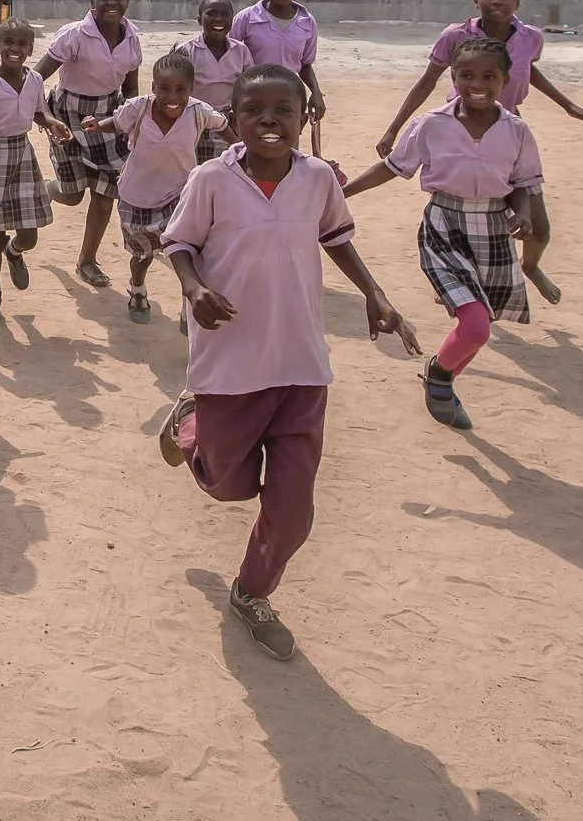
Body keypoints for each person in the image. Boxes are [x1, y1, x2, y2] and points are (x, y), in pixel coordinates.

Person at [156, 65, 418, 662]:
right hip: (230, 357)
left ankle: (252, 593)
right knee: (228, 485)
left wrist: (376, 293)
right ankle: (192, 427)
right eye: (255, 111)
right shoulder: (211, 180)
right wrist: (194, 290)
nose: (269, 121)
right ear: (235, 121)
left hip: (301, 361)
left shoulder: (319, 178)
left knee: (293, 509)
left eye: (284, 110)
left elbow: (336, 237)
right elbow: (179, 243)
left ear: (305, 118)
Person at [344, 37, 542, 434]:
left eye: (489, 75)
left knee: (478, 326)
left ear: (506, 80)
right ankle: (439, 375)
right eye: (466, 75)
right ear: (453, 77)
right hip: (445, 228)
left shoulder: (516, 131)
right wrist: (341, 193)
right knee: (476, 326)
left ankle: (442, 380)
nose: (477, 83)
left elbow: (523, 183)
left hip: (493, 231)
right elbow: (393, 167)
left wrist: (521, 214)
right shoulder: (432, 124)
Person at [372, 0, 583, 305]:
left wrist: (569, 106)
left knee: (538, 227)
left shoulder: (530, 37)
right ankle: (455, 276)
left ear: (518, 0)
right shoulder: (456, 35)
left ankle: (531, 266)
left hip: (504, 132)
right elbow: (427, 80)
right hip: (460, 130)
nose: (497, 2)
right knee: (464, 213)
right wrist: (394, 127)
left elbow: (524, 69)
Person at [89, 51, 224, 322]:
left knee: (189, 251)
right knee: (142, 253)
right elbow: (115, 123)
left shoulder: (199, 112)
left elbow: (225, 127)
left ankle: (190, 304)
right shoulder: (138, 108)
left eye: (180, 90)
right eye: (164, 89)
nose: (173, 97)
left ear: (191, 89)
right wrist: (95, 125)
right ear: (153, 88)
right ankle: (137, 289)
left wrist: (240, 152)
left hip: (181, 194)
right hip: (137, 196)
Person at [35, 0, 143, 289]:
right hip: (68, 114)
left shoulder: (132, 37)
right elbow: (36, 77)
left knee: (105, 192)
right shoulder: (74, 35)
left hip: (110, 114)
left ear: (127, 1)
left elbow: (132, 86)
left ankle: (87, 260)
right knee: (71, 194)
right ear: (91, 3)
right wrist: (41, 115)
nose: (112, 3)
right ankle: (46, 189)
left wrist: (136, 120)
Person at [0, 18, 70, 316]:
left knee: (29, 235)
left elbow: (37, 112)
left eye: (22, 44)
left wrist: (51, 122)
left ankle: (15, 253)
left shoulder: (35, 80)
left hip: (23, 155)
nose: (15, 49)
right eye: (8, 43)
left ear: (30, 48)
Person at [231, 0, 325, 125]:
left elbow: (305, 64)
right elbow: (229, 59)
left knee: (286, 145)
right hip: (253, 97)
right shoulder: (246, 19)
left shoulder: (307, 22)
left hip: (288, 98)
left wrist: (316, 92)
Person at [176, 0, 252, 163]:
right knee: (195, 171)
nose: (219, 19)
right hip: (194, 121)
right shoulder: (185, 51)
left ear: (232, 20)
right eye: (212, 13)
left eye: (225, 14)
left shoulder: (241, 51)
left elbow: (248, 88)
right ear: (199, 19)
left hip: (229, 121)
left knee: (228, 169)